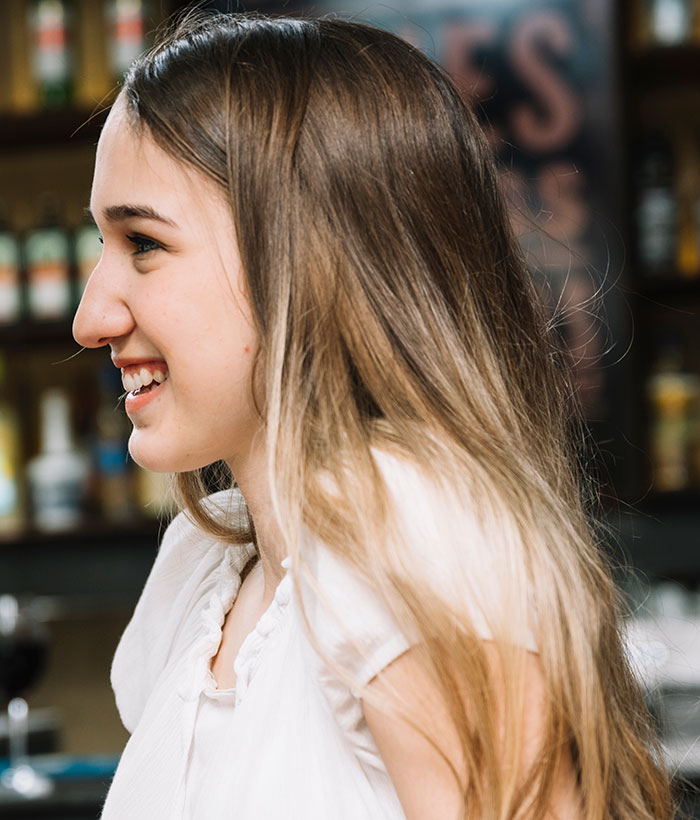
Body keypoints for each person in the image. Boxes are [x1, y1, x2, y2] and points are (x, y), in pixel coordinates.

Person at [72, 9, 673, 820]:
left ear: (306, 253)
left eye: (143, 243)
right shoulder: (207, 563)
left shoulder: (400, 522)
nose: (90, 317)